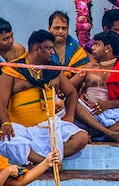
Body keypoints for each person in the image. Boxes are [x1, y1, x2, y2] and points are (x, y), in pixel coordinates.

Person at [0, 30, 89, 166]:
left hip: (48, 126)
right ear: (36, 48)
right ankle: (45, 162)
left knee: (82, 138)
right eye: (48, 48)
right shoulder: (13, 70)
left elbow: (71, 93)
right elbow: (1, 101)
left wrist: (70, 116)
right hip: (21, 129)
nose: (52, 52)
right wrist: (6, 123)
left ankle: (42, 159)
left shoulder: (52, 70)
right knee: (8, 142)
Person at [74, 31, 119, 141]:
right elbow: (69, 88)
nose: (92, 48)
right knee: (72, 102)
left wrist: (108, 104)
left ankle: (95, 133)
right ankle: (108, 133)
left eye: (97, 44)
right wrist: (80, 94)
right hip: (88, 113)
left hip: (112, 114)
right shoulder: (89, 67)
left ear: (107, 48)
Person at [47, 11, 88, 86]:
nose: (60, 31)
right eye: (57, 28)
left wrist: (66, 90)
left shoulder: (76, 47)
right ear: (49, 28)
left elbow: (82, 72)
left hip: (73, 89)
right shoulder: (42, 47)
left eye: (64, 28)